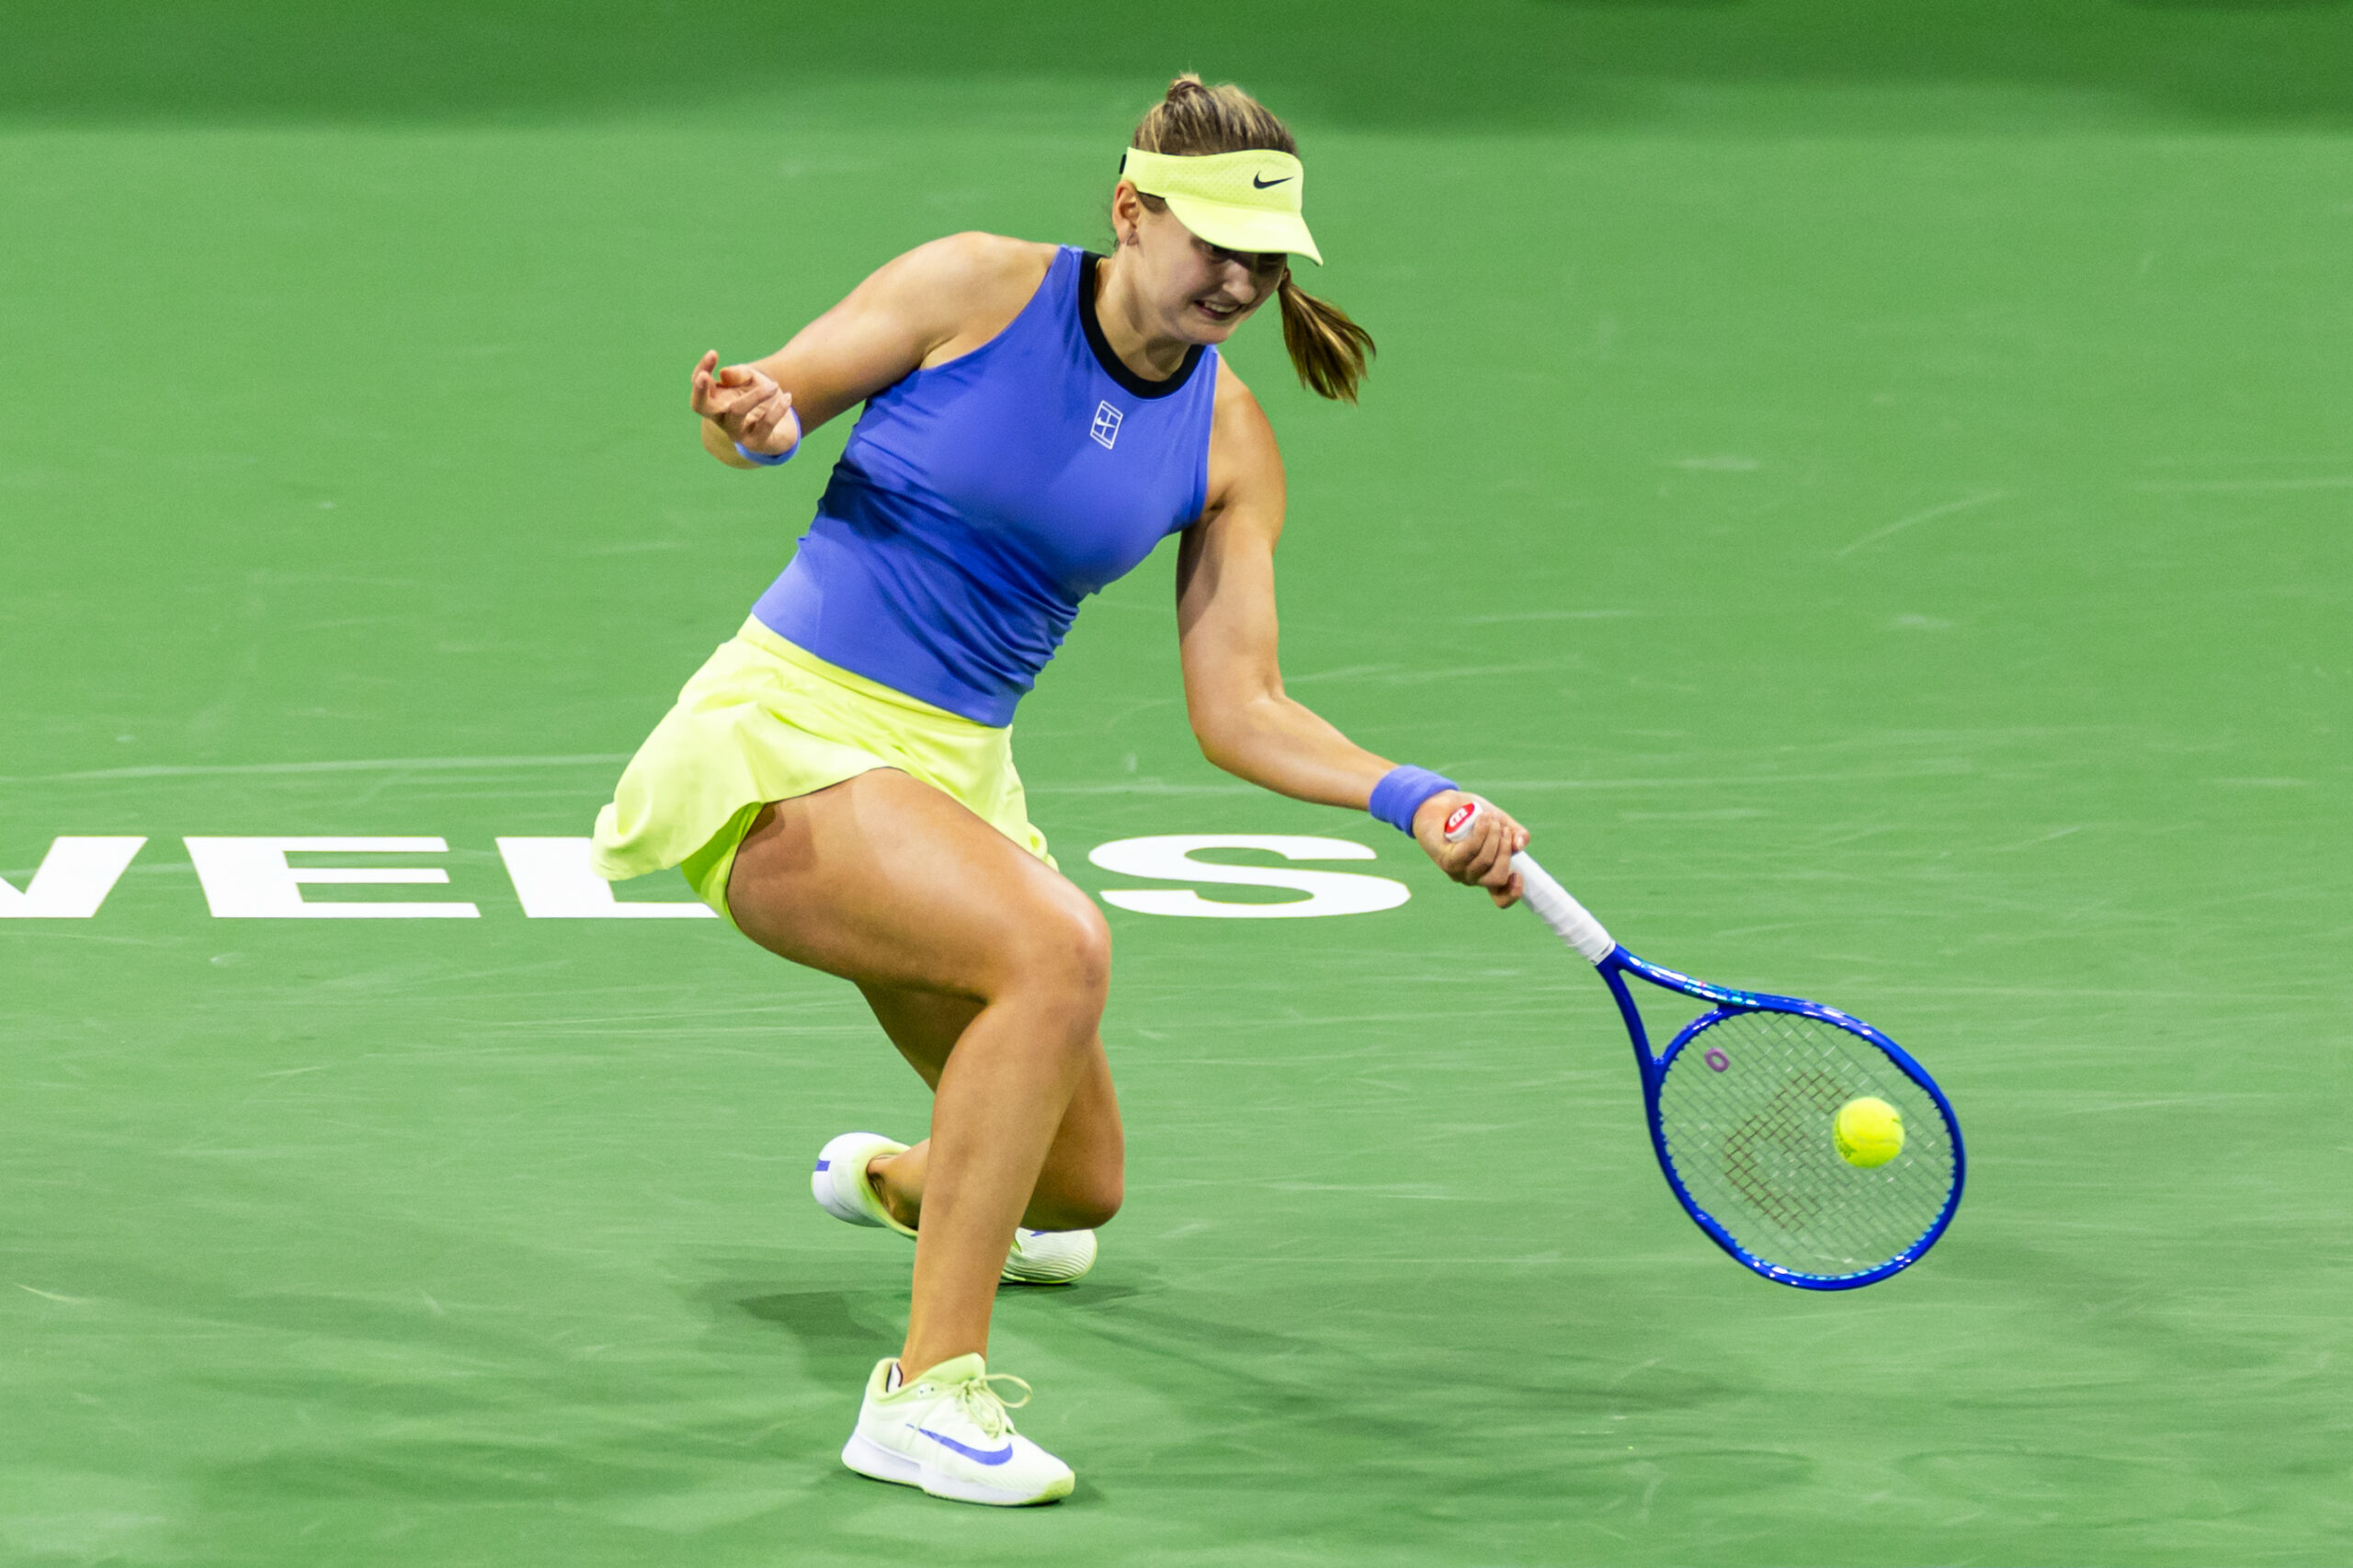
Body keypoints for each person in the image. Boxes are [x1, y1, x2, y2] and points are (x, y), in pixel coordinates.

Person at [590, 74, 1529, 1507]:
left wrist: (1412, 796)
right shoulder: (974, 287)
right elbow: (764, 409)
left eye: (1264, 258)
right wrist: (760, 423)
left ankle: (910, 1182)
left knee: (1076, 1193)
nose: (1236, 277)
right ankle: (922, 1395)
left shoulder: (1227, 440)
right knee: (1055, 944)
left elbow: (1244, 708)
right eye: (1210, 239)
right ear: (1127, 209)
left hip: (952, 788)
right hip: (785, 738)